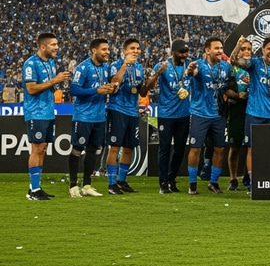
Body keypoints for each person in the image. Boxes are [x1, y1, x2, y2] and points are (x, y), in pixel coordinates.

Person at [232, 36, 270, 192]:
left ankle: (269, 180)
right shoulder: (255, 64)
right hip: (254, 113)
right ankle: (252, 183)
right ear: (263, 50)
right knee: (251, 149)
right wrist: (238, 46)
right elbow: (234, 60)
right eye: (268, 49)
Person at [22, 32, 71, 200]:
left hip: (49, 111)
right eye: (53, 45)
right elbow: (31, 89)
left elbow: (48, 86)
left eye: (57, 44)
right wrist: (54, 81)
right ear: (43, 46)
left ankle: (35, 188)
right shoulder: (30, 64)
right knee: (36, 148)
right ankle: (34, 190)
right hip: (35, 112)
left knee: (43, 149)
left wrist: (57, 83)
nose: (57, 48)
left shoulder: (51, 62)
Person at [68, 37, 115, 198]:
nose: (107, 52)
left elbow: (105, 86)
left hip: (99, 117)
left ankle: (87, 185)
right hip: (83, 116)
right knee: (77, 149)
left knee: (94, 150)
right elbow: (73, 90)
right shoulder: (83, 68)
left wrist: (110, 88)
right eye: (104, 49)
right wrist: (97, 91)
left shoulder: (106, 68)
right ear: (94, 50)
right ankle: (73, 186)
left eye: (108, 49)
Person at [185, 37, 233, 195]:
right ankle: (192, 184)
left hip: (218, 114)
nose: (220, 51)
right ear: (207, 50)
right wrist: (191, 71)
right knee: (196, 148)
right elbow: (194, 72)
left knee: (219, 149)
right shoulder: (199, 65)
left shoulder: (226, 67)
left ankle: (213, 182)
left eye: (221, 48)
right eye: (216, 48)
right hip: (200, 113)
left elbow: (227, 86)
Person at [149, 38, 192, 194]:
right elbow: (149, 86)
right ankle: (163, 182)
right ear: (173, 52)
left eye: (186, 52)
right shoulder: (163, 66)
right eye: (181, 52)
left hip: (184, 114)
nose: (184, 55)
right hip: (166, 114)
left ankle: (171, 179)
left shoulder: (190, 66)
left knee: (180, 149)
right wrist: (157, 73)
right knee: (165, 148)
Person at [107, 37, 146, 195]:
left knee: (129, 147)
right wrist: (125, 64)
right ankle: (111, 183)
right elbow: (114, 83)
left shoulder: (140, 68)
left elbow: (140, 90)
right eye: (132, 48)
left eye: (137, 48)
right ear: (124, 51)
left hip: (132, 111)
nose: (135, 51)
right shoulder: (115, 65)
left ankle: (122, 181)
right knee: (115, 147)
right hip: (117, 109)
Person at [225, 44, 250, 191]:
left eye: (248, 49)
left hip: (252, 109)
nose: (246, 51)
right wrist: (236, 95)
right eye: (243, 49)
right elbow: (225, 87)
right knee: (234, 147)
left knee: (251, 148)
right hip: (235, 110)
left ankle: (249, 178)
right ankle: (233, 179)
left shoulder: (254, 66)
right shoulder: (232, 67)